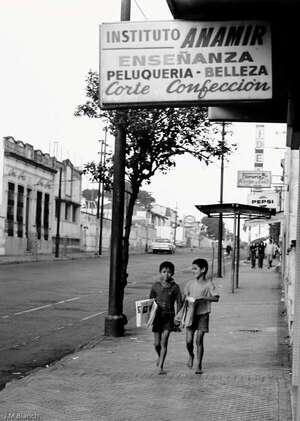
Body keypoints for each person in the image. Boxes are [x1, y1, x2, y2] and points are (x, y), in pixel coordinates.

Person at [183, 258, 219, 374]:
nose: (192, 271)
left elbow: (216, 298)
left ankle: (199, 365)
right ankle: (191, 355)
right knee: (189, 341)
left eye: (195, 268)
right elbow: (184, 299)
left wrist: (203, 298)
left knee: (199, 340)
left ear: (203, 270)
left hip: (203, 315)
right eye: (192, 268)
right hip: (190, 315)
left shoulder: (209, 284)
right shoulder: (189, 284)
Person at [149, 261, 182, 375]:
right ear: (160, 272)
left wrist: (178, 317)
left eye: (169, 272)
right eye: (164, 272)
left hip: (169, 317)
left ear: (172, 273)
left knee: (164, 342)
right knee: (157, 344)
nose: (166, 274)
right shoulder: (155, 286)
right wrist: (148, 316)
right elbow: (150, 301)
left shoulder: (175, 288)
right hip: (157, 317)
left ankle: (161, 366)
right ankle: (160, 356)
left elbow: (179, 303)